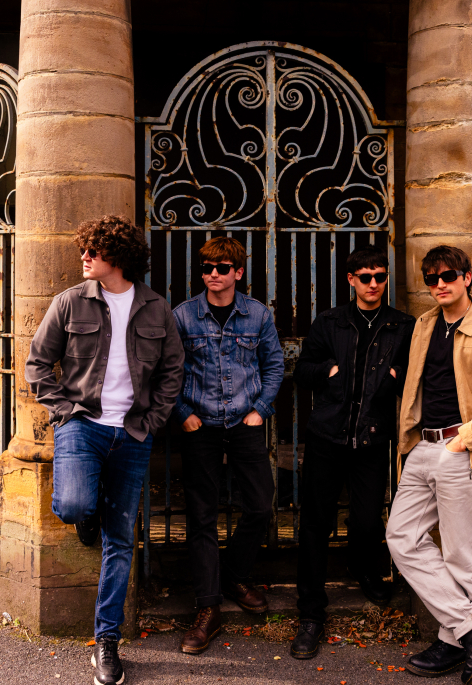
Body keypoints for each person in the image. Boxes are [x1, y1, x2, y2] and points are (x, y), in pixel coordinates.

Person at [26, 216, 185, 685]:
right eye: (84, 251)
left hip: (133, 434)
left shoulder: (157, 308)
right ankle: (86, 515)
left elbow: (172, 371)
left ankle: (107, 642)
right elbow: (38, 363)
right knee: (74, 503)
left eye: (91, 251)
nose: (84, 258)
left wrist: (152, 421)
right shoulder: (70, 302)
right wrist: (65, 410)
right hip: (83, 426)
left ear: (116, 256)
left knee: (121, 540)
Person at [385, 245, 472, 685]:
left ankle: (453, 641)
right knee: (401, 536)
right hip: (423, 447)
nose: (439, 285)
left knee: (462, 553)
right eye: (431, 279)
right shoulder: (425, 325)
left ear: (467, 277)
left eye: (447, 275)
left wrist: (464, 440)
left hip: (463, 447)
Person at [288, 247, 415, 659]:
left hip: (373, 440)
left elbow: (419, 375)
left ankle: (364, 569)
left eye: (380, 276)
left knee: (365, 520)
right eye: (366, 277)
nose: (374, 283)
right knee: (314, 525)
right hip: (327, 437)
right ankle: (311, 612)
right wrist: (329, 370)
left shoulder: (403, 326)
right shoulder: (329, 322)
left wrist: (396, 376)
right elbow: (301, 372)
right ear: (351, 280)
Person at [172, 236, 285, 655]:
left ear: (238, 271)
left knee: (259, 504)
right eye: (206, 268)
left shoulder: (257, 315)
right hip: (198, 424)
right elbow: (169, 370)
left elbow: (274, 364)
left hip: (245, 421)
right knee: (202, 515)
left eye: (221, 267)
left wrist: (260, 408)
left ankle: (234, 574)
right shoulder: (183, 316)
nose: (213, 274)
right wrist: (182, 412)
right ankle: (208, 608)